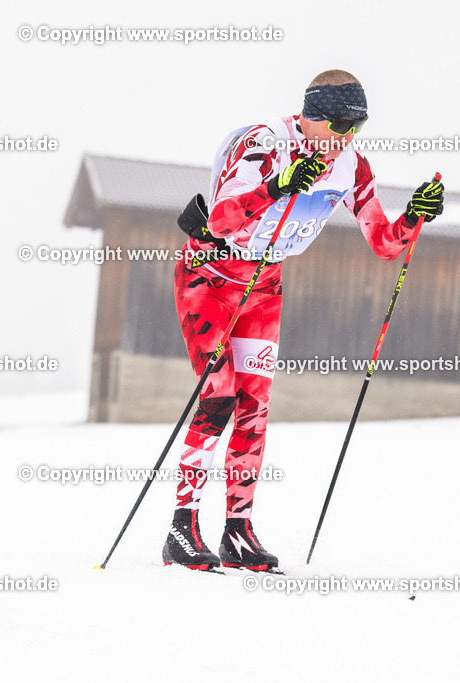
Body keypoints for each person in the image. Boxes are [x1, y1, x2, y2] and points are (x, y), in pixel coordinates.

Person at [162, 68, 444, 572]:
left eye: (357, 128)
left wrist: (415, 215)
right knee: (219, 396)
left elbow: (384, 244)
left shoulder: (352, 165)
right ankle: (181, 528)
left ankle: (238, 531)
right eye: (339, 127)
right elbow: (222, 218)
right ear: (312, 117)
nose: (347, 139)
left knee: (254, 407)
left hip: (264, 285)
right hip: (210, 275)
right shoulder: (266, 143)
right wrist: (277, 185)